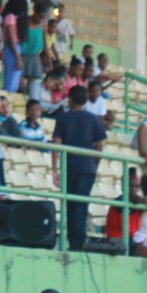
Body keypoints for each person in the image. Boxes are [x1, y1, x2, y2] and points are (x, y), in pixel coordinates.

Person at [53, 84, 108, 252]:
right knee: (81, 206)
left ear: (70, 100)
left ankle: (73, 241)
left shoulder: (63, 118)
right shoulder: (94, 119)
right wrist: (95, 164)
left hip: (69, 167)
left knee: (71, 205)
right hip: (87, 168)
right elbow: (100, 146)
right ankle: (78, 242)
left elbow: (56, 144)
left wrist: (54, 169)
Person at [0, 0, 28, 93]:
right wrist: (18, 57)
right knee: (10, 83)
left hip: (15, 48)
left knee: (14, 83)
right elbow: (11, 38)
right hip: (12, 49)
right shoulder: (10, 17)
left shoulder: (12, 17)